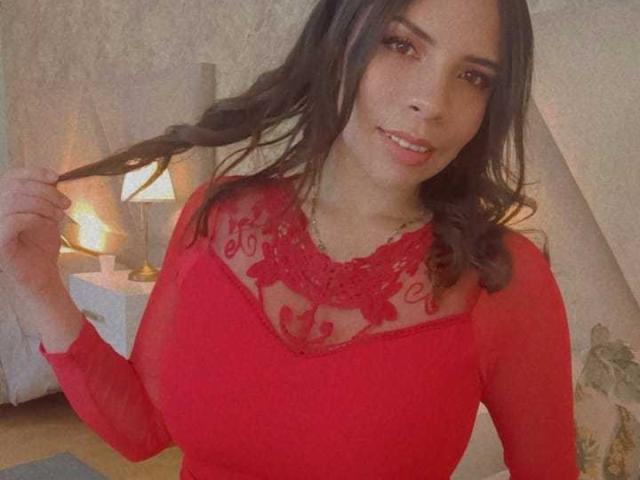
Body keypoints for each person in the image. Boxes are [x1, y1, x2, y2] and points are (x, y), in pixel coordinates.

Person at [0, 0, 579, 478]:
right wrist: (39, 285)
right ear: (336, 40)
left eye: (474, 76)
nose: (431, 102)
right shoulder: (217, 217)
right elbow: (142, 429)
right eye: (400, 44)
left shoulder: (502, 279)